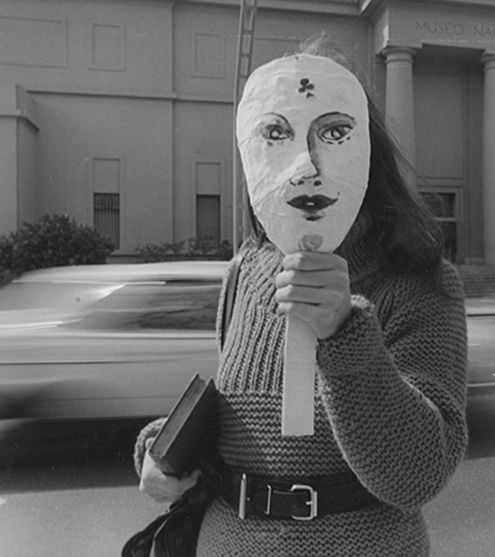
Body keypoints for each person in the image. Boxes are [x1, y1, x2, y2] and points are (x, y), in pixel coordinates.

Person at [133, 44, 468, 556]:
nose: (306, 166)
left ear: (369, 149)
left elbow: (419, 474)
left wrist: (346, 334)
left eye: (334, 133)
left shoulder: (419, 281)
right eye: (275, 134)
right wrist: (161, 453)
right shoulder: (246, 269)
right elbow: (237, 417)